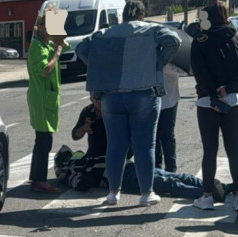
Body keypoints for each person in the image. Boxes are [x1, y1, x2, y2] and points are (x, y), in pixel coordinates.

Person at [76, 1, 181, 207]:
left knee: (116, 146)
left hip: (111, 96)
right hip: (143, 93)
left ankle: (113, 193)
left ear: (123, 15)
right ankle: (146, 193)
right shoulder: (152, 29)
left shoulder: (105, 34)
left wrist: (101, 67)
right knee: (145, 145)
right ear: (142, 15)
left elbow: (81, 48)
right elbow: (173, 40)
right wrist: (158, 61)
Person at [56, 97, 233, 200]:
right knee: (167, 183)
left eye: (101, 100)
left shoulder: (116, 113)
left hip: (124, 163)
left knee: (172, 176)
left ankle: (225, 188)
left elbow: (131, 146)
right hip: (107, 169)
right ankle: (211, 193)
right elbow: (74, 135)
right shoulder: (88, 112)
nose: (98, 105)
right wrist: (83, 129)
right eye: (95, 100)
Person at [190, 1, 238, 211]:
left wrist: (212, 94)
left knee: (209, 150)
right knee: (234, 150)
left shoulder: (199, 41)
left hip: (206, 102)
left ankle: (207, 196)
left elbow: (199, 72)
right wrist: (226, 88)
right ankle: (237, 195)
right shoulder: (234, 37)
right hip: (233, 100)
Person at [26, 10, 66, 194]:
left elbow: (63, 43)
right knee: (44, 140)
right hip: (41, 99)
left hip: (46, 97)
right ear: (41, 27)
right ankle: (39, 180)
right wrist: (57, 52)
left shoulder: (45, 43)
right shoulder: (37, 47)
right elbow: (43, 70)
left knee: (43, 139)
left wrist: (58, 40)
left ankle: (37, 178)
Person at [154, 64, 184, 172]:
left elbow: (184, 71)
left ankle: (171, 169)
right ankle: (156, 168)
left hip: (169, 100)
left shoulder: (173, 55)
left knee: (167, 135)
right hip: (151, 100)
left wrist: (166, 66)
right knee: (154, 137)